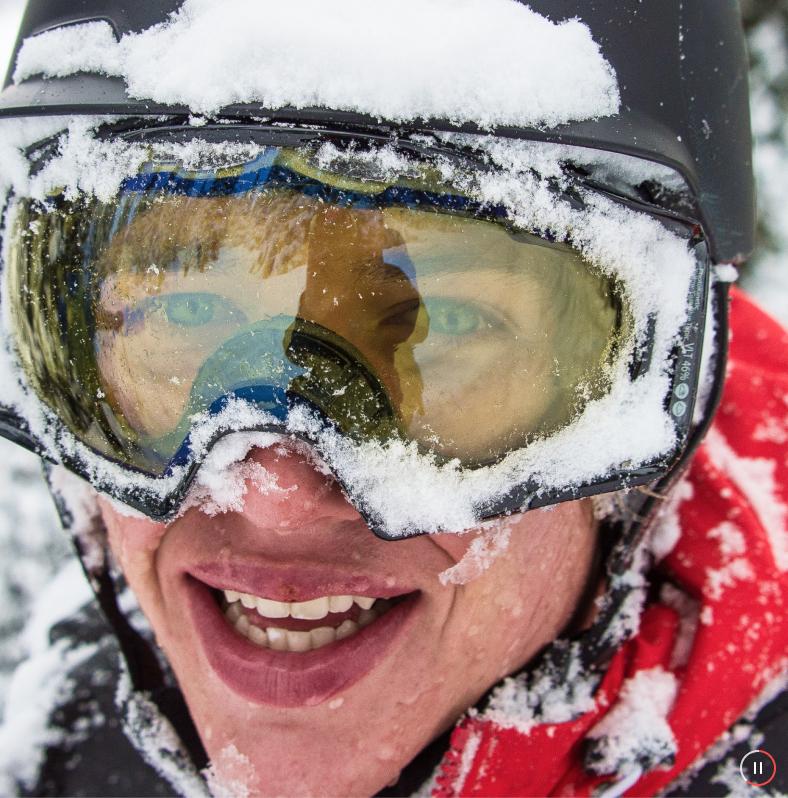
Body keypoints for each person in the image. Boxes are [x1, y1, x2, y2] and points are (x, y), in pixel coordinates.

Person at [0, 1, 785, 796]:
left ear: (638, 446)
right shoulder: (68, 736)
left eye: (438, 328)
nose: (277, 499)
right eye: (186, 311)